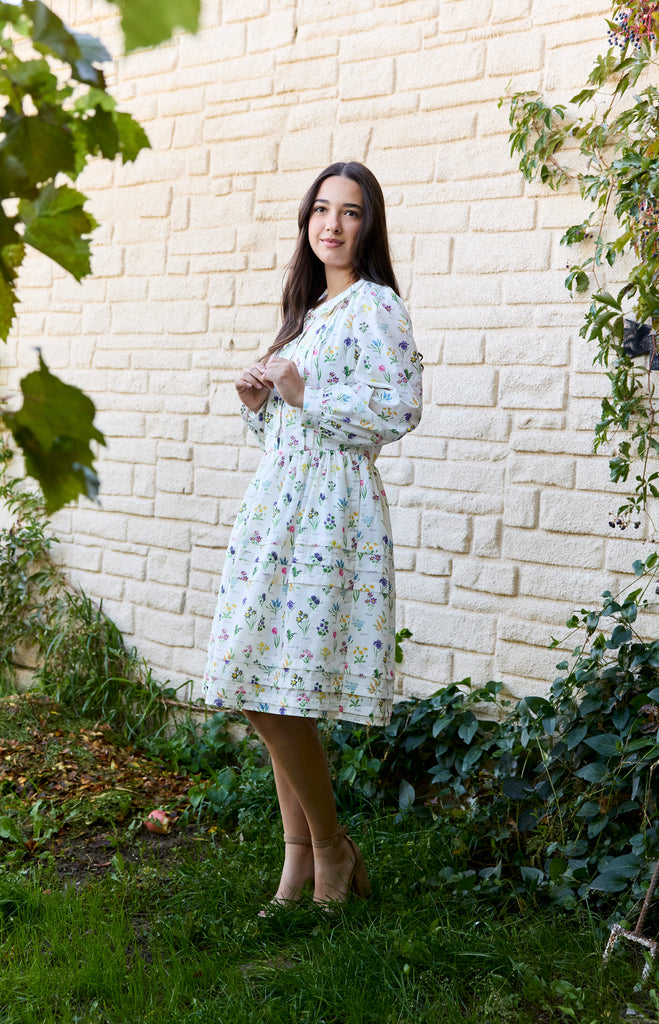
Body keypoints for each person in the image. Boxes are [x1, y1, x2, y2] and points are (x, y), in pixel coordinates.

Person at [202, 161, 422, 909]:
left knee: (277, 688)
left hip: (331, 512)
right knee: (260, 680)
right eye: (321, 210)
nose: (332, 224)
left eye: (350, 212)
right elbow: (288, 430)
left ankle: (331, 850)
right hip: (280, 504)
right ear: (306, 221)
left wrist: (306, 390)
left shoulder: (376, 307)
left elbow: (397, 411)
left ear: (370, 225)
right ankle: (300, 858)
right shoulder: (308, 312)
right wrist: (259, 402)